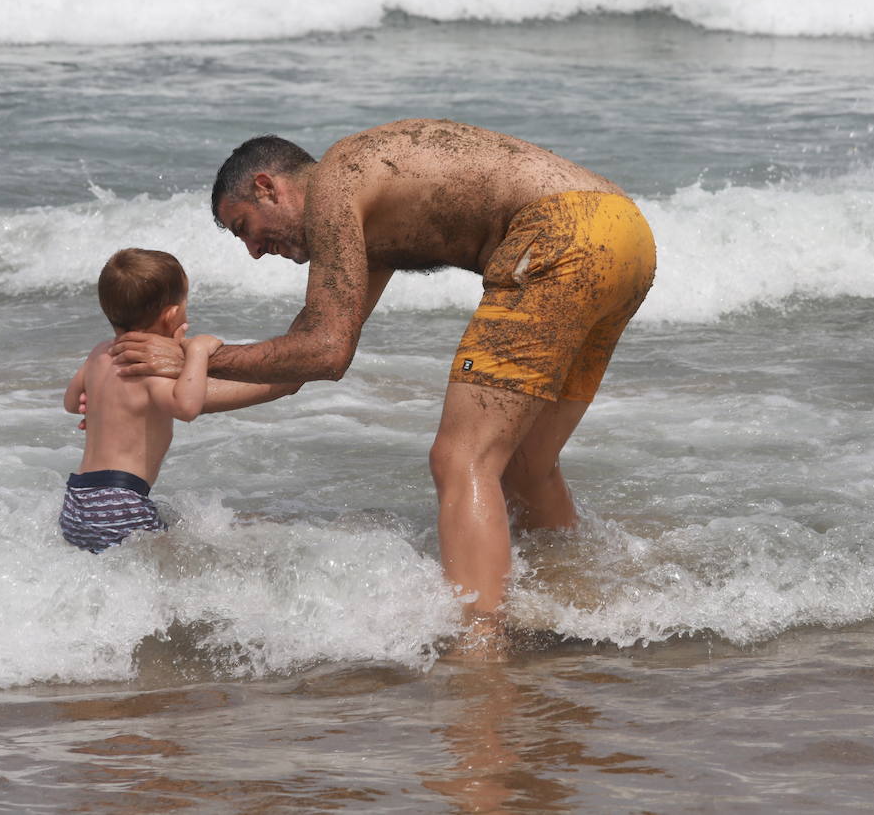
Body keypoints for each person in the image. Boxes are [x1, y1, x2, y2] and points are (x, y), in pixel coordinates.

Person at [110, 120, 656, 649]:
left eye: (243, 227)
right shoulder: (369, 214)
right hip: (625, 235)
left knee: (461, 459)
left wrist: (198, 353)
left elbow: (327, 352)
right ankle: (575, 605)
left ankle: (480, 646)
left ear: (266, 187)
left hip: (561, 234)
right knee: (526, 464)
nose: (253, 250)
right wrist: (171, 393)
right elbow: (299, 364)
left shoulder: (334, 183)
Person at [62, 248, 299, 553]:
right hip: (120, 501)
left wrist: (96, 403)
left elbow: (71, 402)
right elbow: (187, 406)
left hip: (78, 498)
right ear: (172, 315)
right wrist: (197, 351)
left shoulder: (99, 353)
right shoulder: (146, 370)